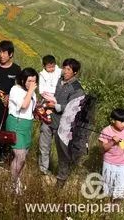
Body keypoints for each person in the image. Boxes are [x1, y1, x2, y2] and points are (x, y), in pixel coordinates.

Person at [43, 57, 84, 186]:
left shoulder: (77, 88)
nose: (65, 71)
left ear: (75, 72)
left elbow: (74, 107)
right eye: (64, 68)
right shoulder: (60, 81)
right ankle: (43, 172)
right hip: (50, 119)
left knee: (63, 153)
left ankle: (61, 180)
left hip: (64, 126)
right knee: (44, 147)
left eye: (68, 69)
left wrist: (55, 106)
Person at [0, 40, 22, 169]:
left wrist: (10, 96)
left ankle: (1, 159)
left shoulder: (16, 69)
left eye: (4, 52)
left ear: (11, 54)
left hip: (7, 108)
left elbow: (20, 88)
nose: (1, 55)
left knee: (4, 134)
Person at [7, 67, 38, 193]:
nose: (31, 83)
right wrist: (30, 91)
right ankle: (12, 183)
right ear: (22, 79)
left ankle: (17, 180)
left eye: (34, 81)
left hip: (27, 125)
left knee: (23, 155)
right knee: (20, 156)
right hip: (16, 124)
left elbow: (30, 108)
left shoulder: (33, 93)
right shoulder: (15, 90)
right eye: (29, 80)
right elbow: (24, 105)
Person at [98, 108, 124, 199]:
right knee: (108, 183)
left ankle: (117, 202)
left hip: (123, 162)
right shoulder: (106, 131)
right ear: (113, 120)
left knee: (121, 183)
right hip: (109, 162)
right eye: (121, 122)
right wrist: (112, 142)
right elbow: (102, 149)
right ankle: (107, 200)